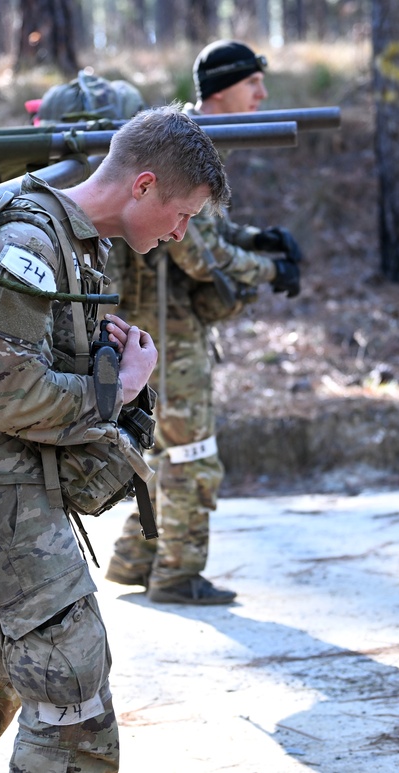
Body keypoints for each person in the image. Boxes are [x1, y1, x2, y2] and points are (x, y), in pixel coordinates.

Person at [0, 104, 230, 773]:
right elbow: (14, 397)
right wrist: (123, 385)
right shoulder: (30, 246)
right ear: (142, 186)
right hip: (4, 511)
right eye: (181, 213)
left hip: (7, 505)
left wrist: (99, 358)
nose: (180, 231)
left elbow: (17, 369)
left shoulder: (73, 245)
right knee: (75, 713)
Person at [104, 39, 305, 605]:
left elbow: (209, 237)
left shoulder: (189, 141)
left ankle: (136, 558)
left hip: (155, 322)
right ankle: (178, 574)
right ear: (222, 88)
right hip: (166, 329)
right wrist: (270, 268)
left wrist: (255, 240)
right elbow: (199, 255)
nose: (263, 94)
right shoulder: (189, 150)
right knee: (191, 452)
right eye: (252, 84)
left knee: (164, 449)